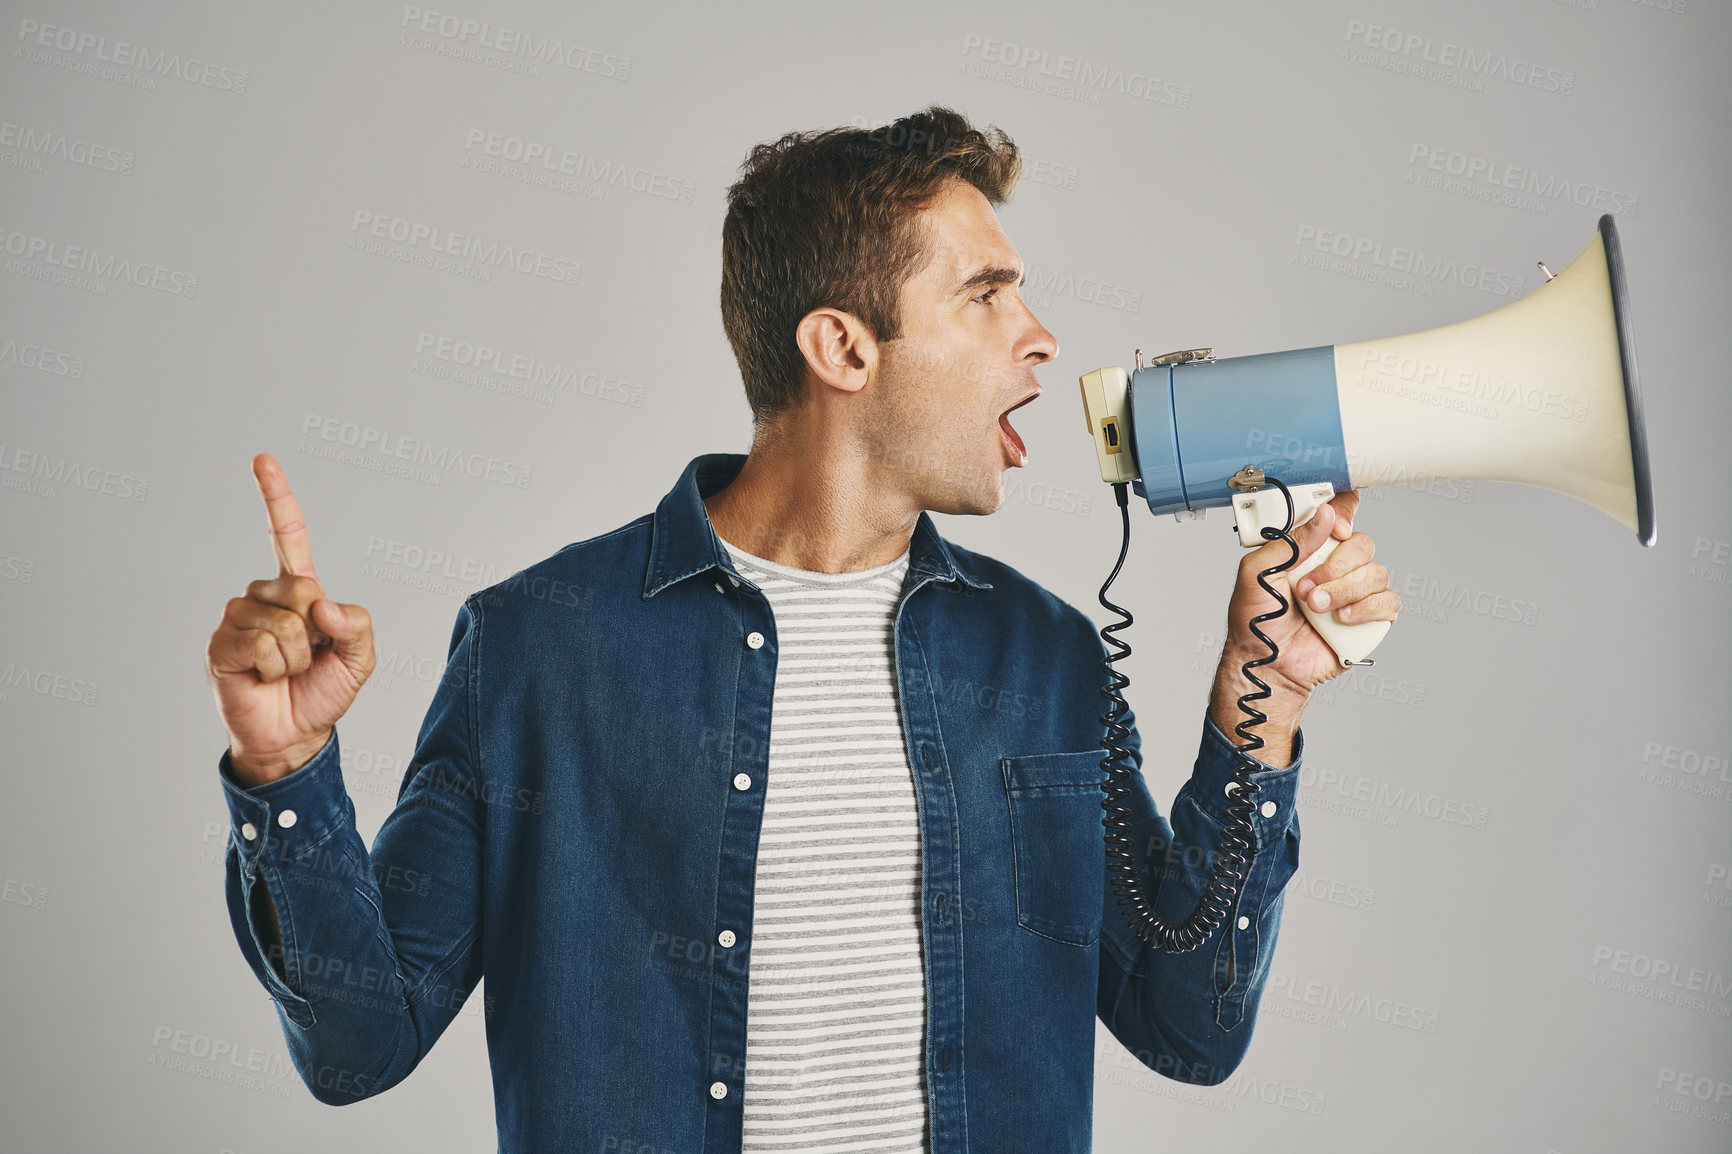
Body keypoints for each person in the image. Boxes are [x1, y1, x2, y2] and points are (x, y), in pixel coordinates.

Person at [205, 105, 1398, 1153]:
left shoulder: (1046, 663)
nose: (1039, 336)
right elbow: (358, 1043)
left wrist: (1267, 697)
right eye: (985, 294)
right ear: (840, 347)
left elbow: (1190, 1022)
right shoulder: (535, 648)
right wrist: (284, 769)